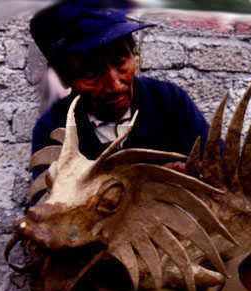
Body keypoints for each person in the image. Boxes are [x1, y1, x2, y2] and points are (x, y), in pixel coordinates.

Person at [29, 0, 210, 186]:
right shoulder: (52, 130)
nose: (114, 86)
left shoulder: (170, 102)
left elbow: (218, 169)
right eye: (91, 72)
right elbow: (47, 206)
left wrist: (193, 174)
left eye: (120, 62)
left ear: (134, 55)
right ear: (66, 78)